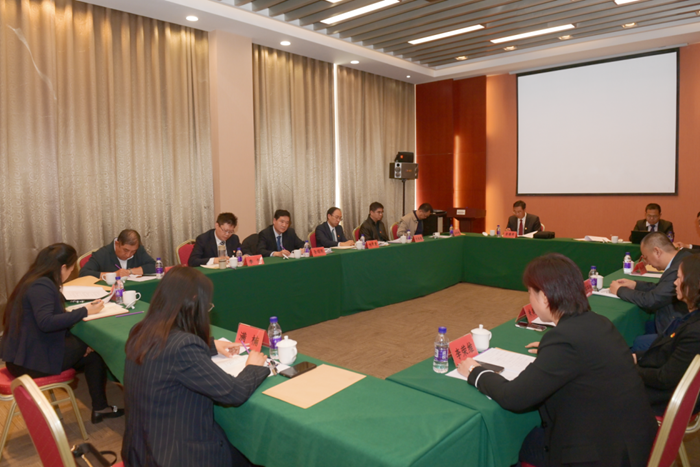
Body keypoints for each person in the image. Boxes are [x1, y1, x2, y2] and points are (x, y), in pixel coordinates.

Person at [457, 253, 657, 467]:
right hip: (635, 442)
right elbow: (580, 356)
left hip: (600, 455)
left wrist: (477, 372)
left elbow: (513, 397)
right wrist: (550, 351)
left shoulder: (564, 339)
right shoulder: (598, 322)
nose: (529, 300)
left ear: (544, 297)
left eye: (530, 293)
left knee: (512, 450)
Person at [122, 266, 269, 466]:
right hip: (176, 457)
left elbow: (166, 352)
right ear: (192, 302)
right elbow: (233, 392)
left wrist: (212, 345)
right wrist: (254, 367)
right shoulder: (184, 346)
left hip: (140, 451)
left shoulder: (140, 330)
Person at [1, 243, 123, 423]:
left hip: (23, 355)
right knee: (94, 347)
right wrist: (85, 311)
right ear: (63, 267)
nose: (71, 272)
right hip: (29, 362)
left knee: (88, 349)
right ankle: (100, 407)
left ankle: (100, 408)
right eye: (72, 269)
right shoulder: (42, 286)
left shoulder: (33, 279)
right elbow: (46, 322)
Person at [634, 254, 700, 416]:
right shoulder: (692, 319)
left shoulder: (694, 332)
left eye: (679, 278)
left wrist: (632, 368)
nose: (675, 283)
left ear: (693, 285)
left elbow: (664, 378)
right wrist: (638, 358)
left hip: (665, 400)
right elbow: (669, 352)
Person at [610, 232, 692, 351]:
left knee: (637, 342)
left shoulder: (677, 269)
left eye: (646, 257)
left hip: (678, 328)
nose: (647, 262)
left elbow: (651, 300)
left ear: (657, 251)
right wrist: (636, 285)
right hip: (679, 319)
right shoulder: (683, 257)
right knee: (644, 326)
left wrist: (619, 291)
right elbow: (662, 289)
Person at [79, 229, 156, 279]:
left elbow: (155, 266)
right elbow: (84, 273)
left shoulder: (139, 250)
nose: (128, 255)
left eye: (133, 251)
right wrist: (113, 275)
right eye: (125, 250)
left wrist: (130, 271)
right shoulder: (102, 254)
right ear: (117, 244)